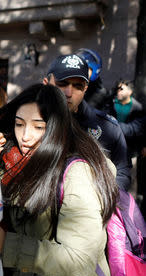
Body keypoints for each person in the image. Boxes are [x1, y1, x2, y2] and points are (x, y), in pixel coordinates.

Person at [0, 83, 118, 276]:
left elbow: (80, 258)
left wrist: (6, 246)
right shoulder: (17, 159)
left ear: (56, 127)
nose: (25, 136)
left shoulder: (77, 173)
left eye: (38, 127)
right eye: (19, 124)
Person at [44, 54, 131, 191]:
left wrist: (105, 202)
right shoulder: (26, 122)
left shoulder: (107, 127)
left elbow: (122, 173)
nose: (68, 92)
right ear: (46, 83)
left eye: (77, 86)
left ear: (85, 88)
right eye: (62, 84)